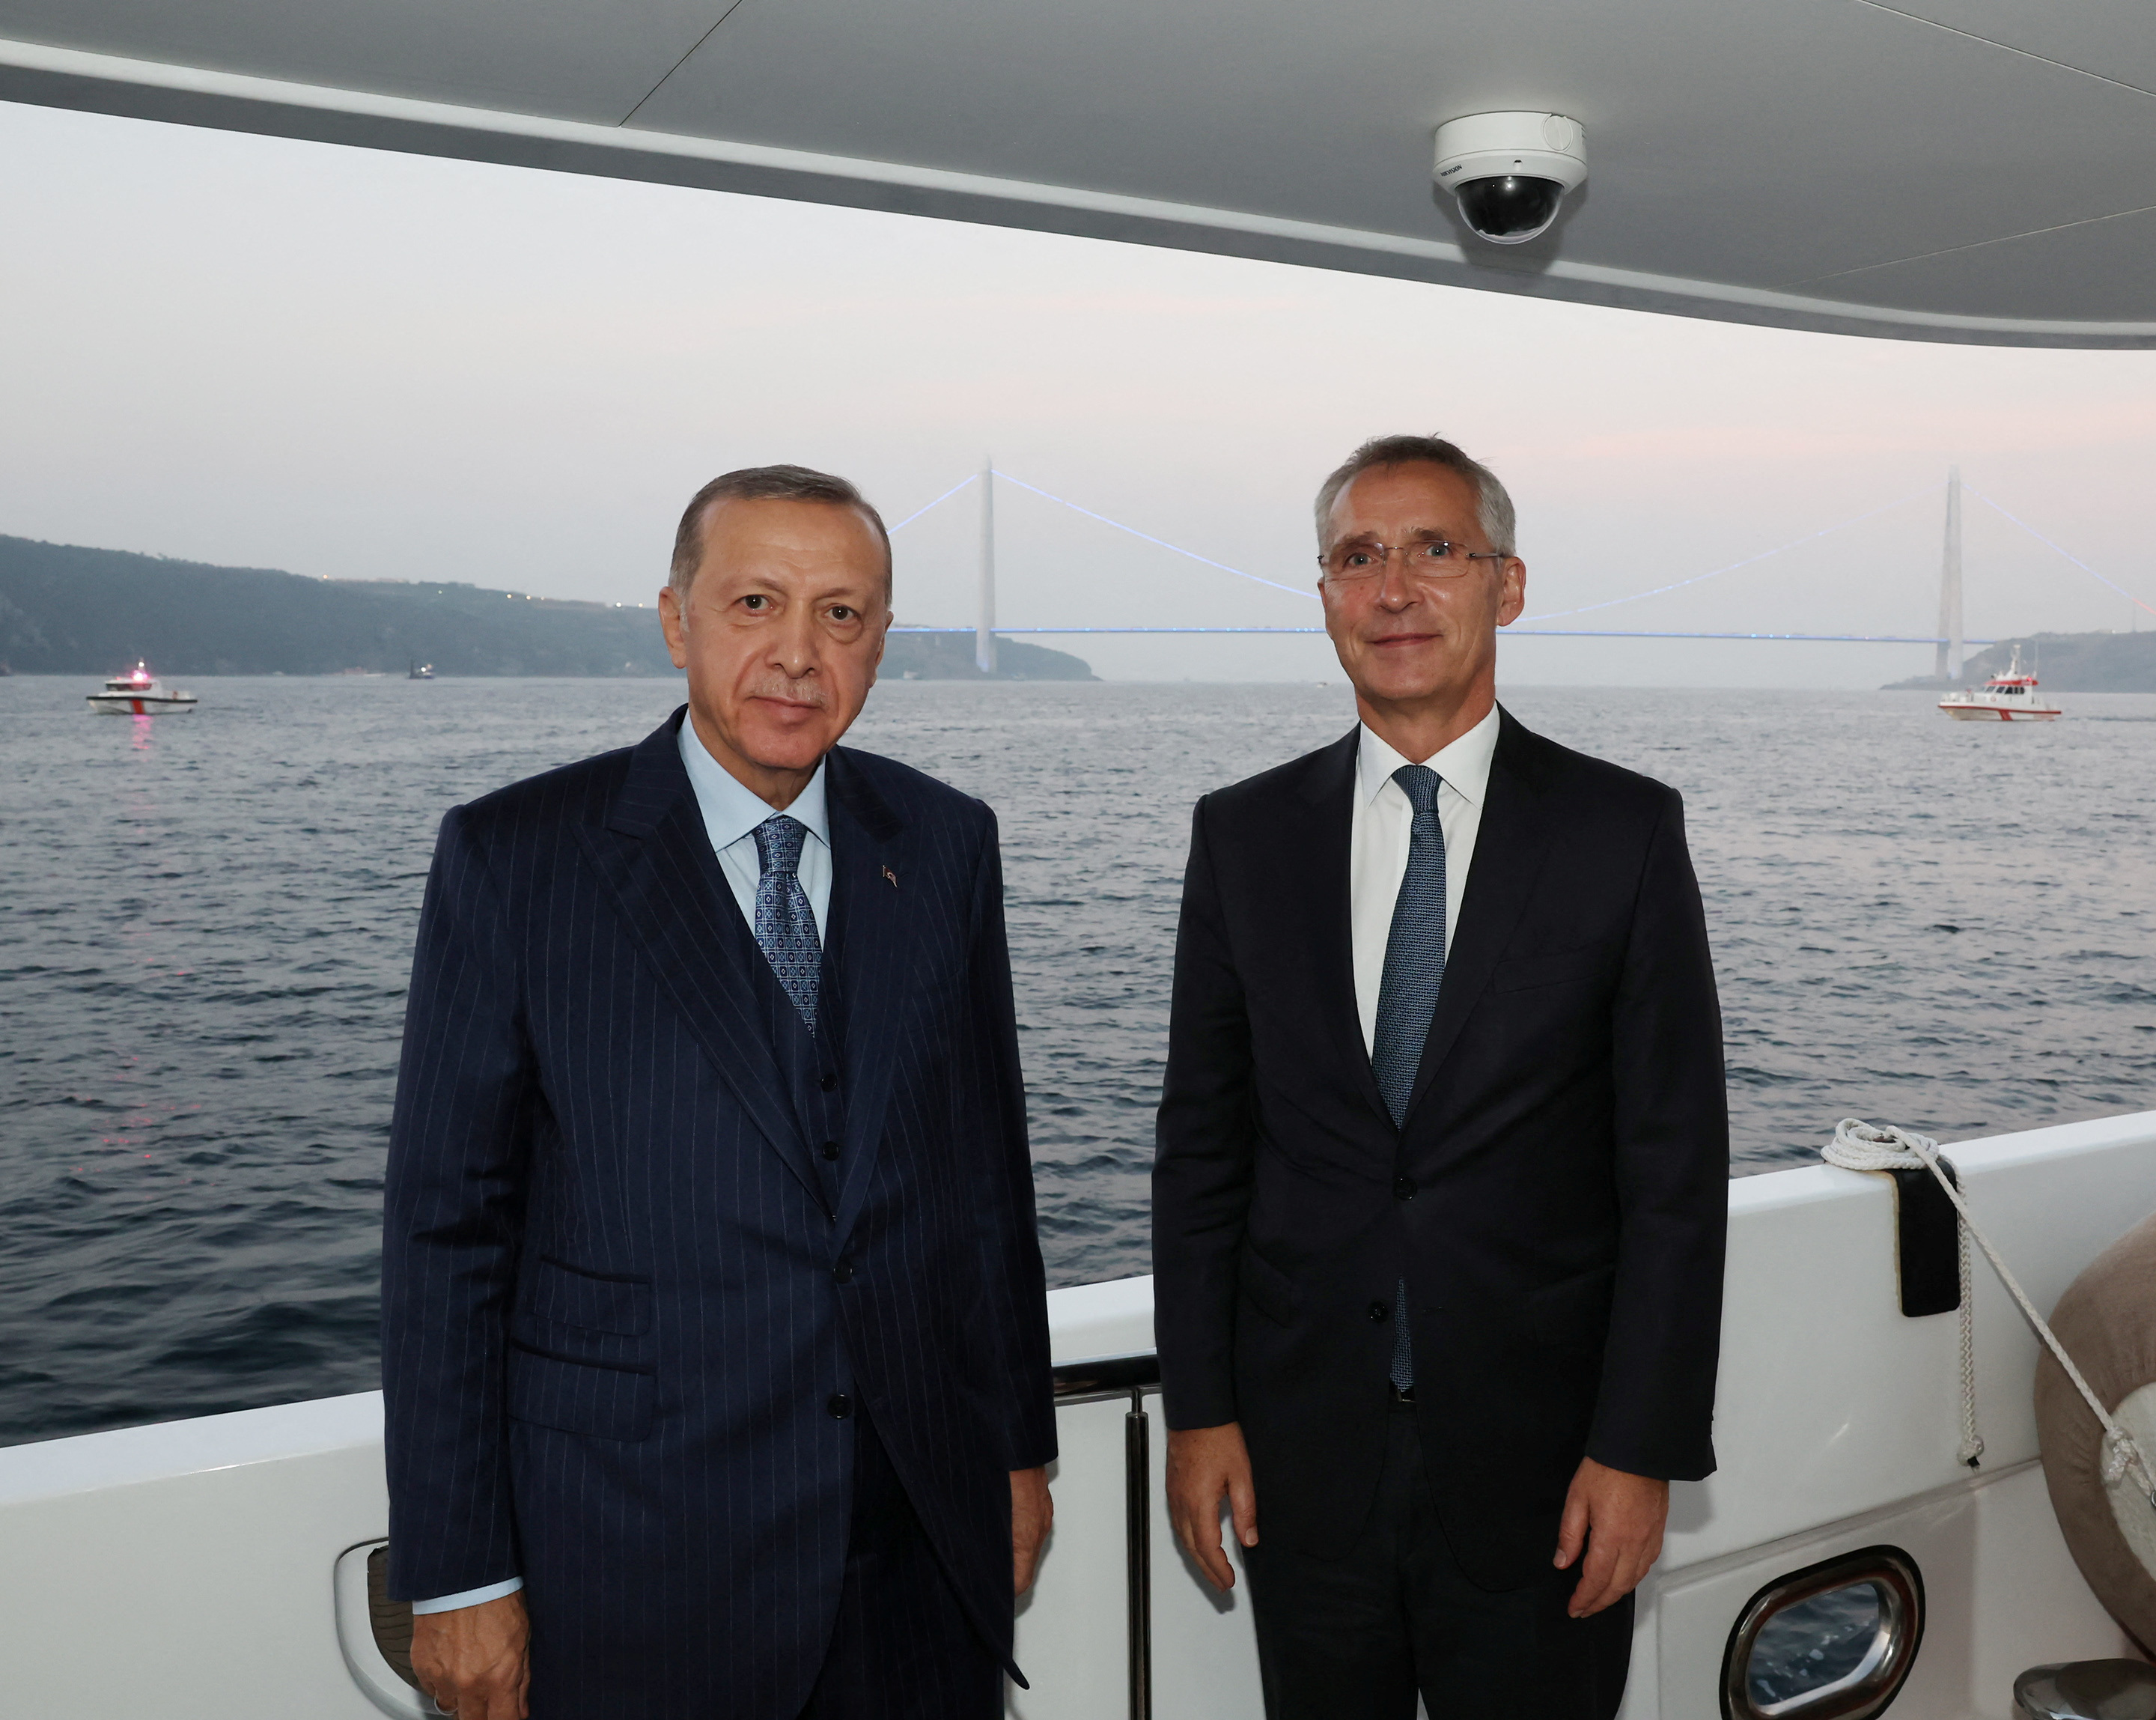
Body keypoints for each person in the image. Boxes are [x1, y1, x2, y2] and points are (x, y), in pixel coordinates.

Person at [382, 465, 1056, 1720]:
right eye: (756, 602)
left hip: (919, 1558)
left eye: (841, 615)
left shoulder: (946, 841)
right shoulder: (517, 857)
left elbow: (985, 1178)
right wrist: (460, 1566)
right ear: (675, 619)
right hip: (641, 1558)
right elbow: (446, 1234)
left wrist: (1018, 1449)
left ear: (881, 642)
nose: (799, 653)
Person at [1152, 435, 1729, 1719]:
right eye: (1358, 557)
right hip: (1304, 1468)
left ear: (1507, 585)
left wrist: (1639, 1449)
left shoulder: (1622, 831)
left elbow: (1675, 1173)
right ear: (1325, 597)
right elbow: (1201, 1153)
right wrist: (1200, 1413)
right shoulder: (1242, 835)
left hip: (1550, 1474)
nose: (1394, 589)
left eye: (1434, 550)